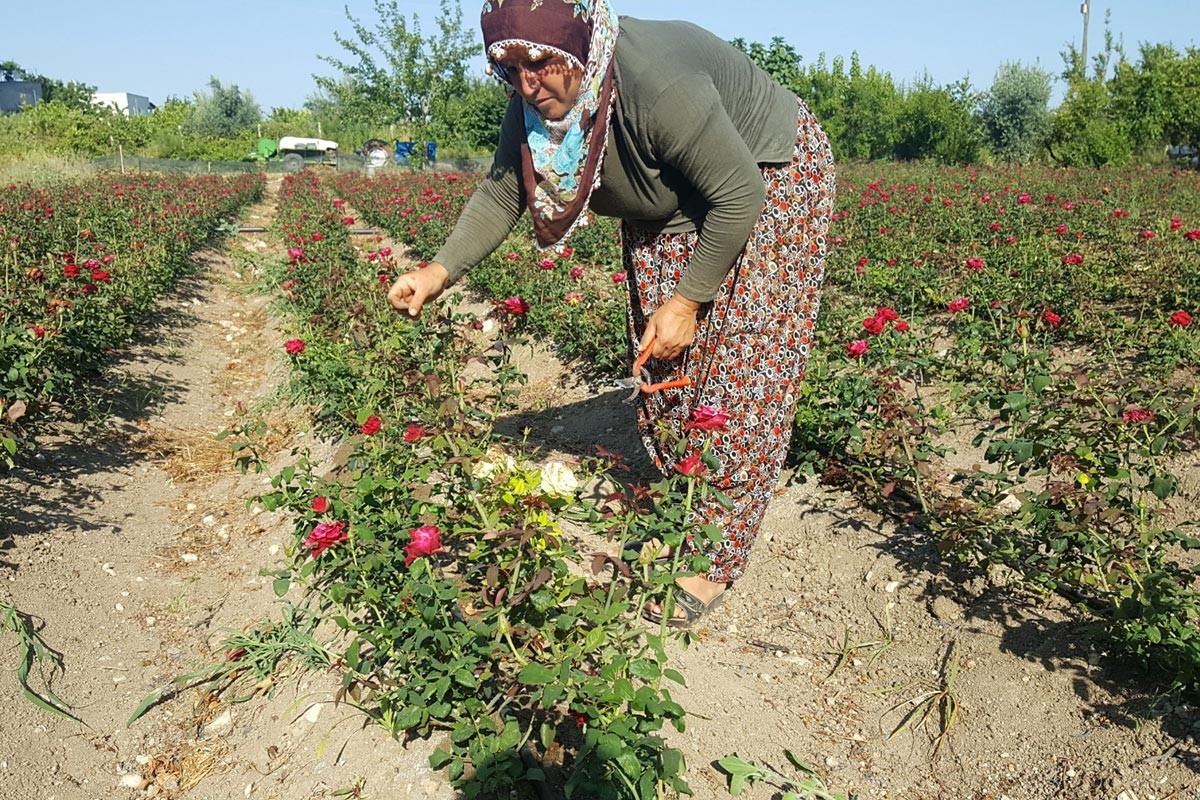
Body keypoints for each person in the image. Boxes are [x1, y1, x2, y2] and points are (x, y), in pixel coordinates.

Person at [387, 0, 835, 627]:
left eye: (540, 63)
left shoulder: (657, 84)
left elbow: (738, 194)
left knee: (743, 374)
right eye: (511, 68)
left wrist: (688, 299)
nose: (527, 83)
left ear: (578, 46)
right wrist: (437, 271)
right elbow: (504, 188)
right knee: (667, 360)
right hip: (668, 209)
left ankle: (714, 558)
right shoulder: (536, 102)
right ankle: (687, 495)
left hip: (766, 177)